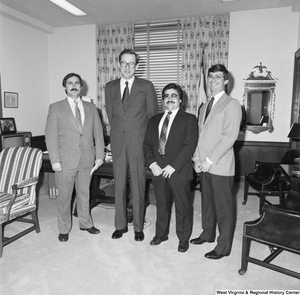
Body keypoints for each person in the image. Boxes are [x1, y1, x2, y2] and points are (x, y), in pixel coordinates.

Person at [105, 49, 158, 241]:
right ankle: (120, 226)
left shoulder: (146, 86)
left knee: (138, 186)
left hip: (138, 144)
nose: (127, 67)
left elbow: (152, 118)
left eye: (131, 63)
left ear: (137, 66)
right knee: (118, 186)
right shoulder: (109, 87)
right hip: (118, 143)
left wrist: (148, 144)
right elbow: (112, 116)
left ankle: (138, 227)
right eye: (124, 63)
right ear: (119, 64)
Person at [190, 64, 242, 259]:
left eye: (218, 77)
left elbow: (229, 137)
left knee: (224, 208)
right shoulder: (205, 105)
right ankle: (207, 234)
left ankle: (223, 246)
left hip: (219, 165)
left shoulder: (232, 104)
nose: (212, 80)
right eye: (210, 76)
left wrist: (209, 160)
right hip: (203, 164)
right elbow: (200, 135)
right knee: (207, 203)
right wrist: (196, 158)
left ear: (226, 81)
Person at [45, 73, 105, 242]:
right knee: (64, 197)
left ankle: (86, 223)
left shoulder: (92, 108)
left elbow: (98, 134)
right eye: (70, 83)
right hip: (64, 161)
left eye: (77, 83)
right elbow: (50, 136)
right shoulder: (55, 107)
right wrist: (55, 160)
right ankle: (63, 228)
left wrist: (99, 156)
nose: (74, 85)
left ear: (81, 86)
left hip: (87, 159)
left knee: (84, 194)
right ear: (65, 87)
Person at [143, 83, 198, 252]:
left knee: (183, 206)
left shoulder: (189, 119)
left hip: (178, 171)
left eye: (174, 95)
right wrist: (152, 164)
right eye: (166, 96)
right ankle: (161, 234)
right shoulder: (153, 120)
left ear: (181, 100)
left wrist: (172, 166)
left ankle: (183, 238)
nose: (170, 98)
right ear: (163, 100)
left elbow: (189, 145)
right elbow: (147, 145)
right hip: (158, 171)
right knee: (162, 204)